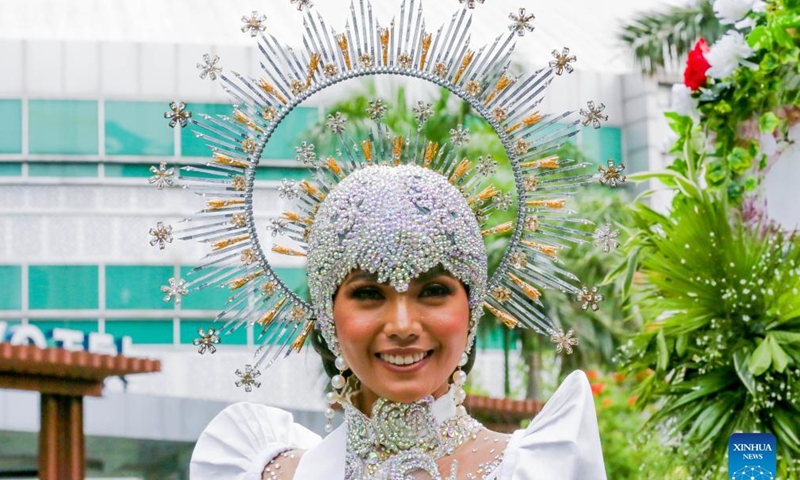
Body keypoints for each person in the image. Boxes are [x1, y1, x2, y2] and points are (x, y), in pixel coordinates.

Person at [163, 2, 612, 479]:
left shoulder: (539, 470)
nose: (402, 324)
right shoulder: (262, 472)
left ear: (473, 307)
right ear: (327, 314)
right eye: (369, 293)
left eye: (433, 290)